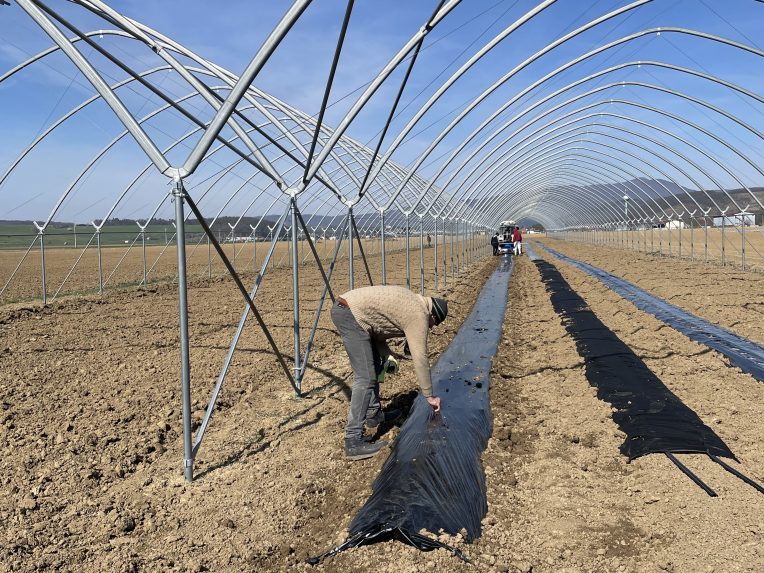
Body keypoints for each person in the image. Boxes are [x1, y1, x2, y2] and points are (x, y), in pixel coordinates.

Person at [331, 286, 448, 460]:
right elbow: (420, 357)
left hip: (350, 310)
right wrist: (429, 395)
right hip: (351, 315)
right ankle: (353, 440)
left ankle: (373, 414)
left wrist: (387, 354)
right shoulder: (419, 314)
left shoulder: (413, 302)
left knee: (376, 366)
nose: (430, 328)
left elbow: (377, 328)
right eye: (433, 324)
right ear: (432, 315)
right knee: (365, 377)